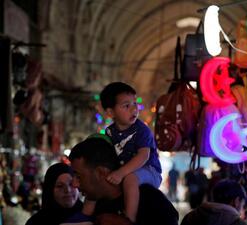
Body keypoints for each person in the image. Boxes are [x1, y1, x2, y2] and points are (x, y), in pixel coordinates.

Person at [69, 136, 179, 225]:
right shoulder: (95, 207)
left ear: (101, 173)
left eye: (78, 176)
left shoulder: (151, 200)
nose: (74, 184)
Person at [99, 82, 162, 223]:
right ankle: (86, 215)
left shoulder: (142, 130)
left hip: (149, 170)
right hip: (127, 170)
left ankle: (129, 218)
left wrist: (120, 173)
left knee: (130, 179)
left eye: (135, 103)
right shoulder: (109, 132)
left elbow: (143, 156)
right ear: (110, 112)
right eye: (126, 106)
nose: (134, 109)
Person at [25, 163, 92, 225]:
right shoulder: (36, 222)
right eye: (60, 186)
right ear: (50, 191)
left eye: (71, 184)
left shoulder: (91, 217)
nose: (67, 190)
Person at [181, 179, 247, 225]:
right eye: (242, 204)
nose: (242, 209)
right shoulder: (238, 223)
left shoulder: (190, 217)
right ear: (236, 201)